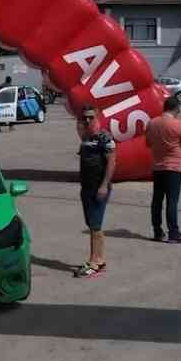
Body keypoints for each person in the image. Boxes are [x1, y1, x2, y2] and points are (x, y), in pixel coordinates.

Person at [144, 95, 181, 243]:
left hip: (158, 166)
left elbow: (148, 143)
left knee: (157, 200)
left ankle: (157, 231)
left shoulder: (152, 123)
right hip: (174, 167)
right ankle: (173, 233)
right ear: (176, 109)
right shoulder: (179, 124)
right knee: (172, 201)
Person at [74, 106, 115, 277]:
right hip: (87, 188)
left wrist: (104, 186)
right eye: (85, 118)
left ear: (97, 117)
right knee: (93, 226)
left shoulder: (104, 137)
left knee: (95, 226)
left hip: (99, 188)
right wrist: (79, 125)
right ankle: (100, 260)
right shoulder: (85, 137)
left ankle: (94, 262)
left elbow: (112, 162)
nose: (87, 120)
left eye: (91, 117)